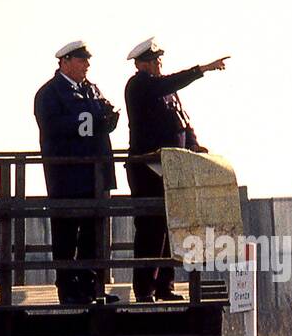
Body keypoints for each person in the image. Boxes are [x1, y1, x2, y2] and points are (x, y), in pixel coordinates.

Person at [123, 37, 228, 302]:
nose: (159, 64)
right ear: (142, 64)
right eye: (155, 61)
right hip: (147, 169)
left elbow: (183, 123)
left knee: (171, 228)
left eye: (159, 60)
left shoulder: (167, 91)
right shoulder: (139, 85)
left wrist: (194, 146)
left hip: (173, 168)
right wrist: (201, 69)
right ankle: (145, 288)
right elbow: (166, 83)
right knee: (150, 228)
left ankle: (164, 285)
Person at [33, 40, 121, 304]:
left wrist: (107, 118)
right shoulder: (50, 94)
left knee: (93, 236)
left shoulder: (91, 90)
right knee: (67, 234)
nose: (87, 66)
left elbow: (101, 120)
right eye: (81, 61)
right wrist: (90, 120)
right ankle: (69, 290)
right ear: (65, 61)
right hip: (67, 177)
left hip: (95, 176)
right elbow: (56, 128)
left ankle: (91, 287)